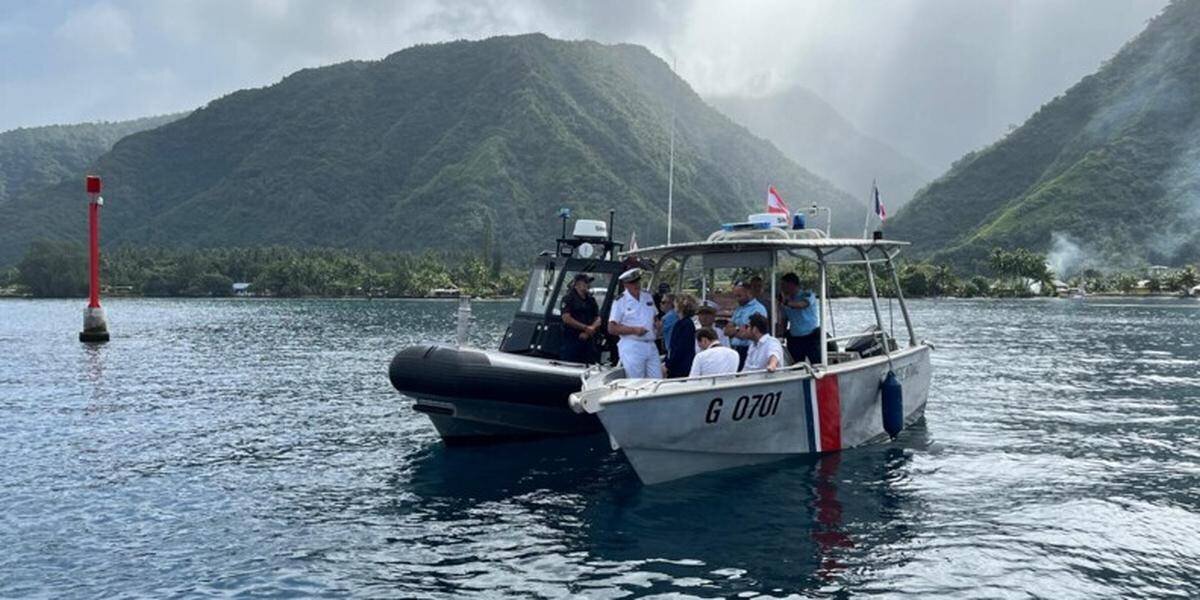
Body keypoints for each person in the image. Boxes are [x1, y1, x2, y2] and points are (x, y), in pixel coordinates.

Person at [607, 268, 662, 379]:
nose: (636, 285)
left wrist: (658, 324)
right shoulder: (620, 301)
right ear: (625, 285)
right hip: (633, 344)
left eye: (637, 281)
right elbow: (611, 328)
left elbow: (654, 317)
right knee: (636, 382)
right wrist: (634, 330)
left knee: (657, 380)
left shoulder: (647, 296)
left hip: (651, 344)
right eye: (632, 283)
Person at [777, 272, 822, 364]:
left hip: (811, 336)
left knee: (817, 364)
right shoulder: (786, 300)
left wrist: (786, 303)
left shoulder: (807, 294)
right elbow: (784, 319)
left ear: (791, 284)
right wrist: (780, 335)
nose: (781, 288)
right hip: (795, 338)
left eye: (783, 285)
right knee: (796, 365)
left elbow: (802, 305)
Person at [723, 281, 767, 370]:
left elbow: (748, 334)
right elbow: (726, 331)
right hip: (735, 349)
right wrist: (739, 329)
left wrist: (735, 330)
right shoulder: (739, 309)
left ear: (749, 293)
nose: (737, 299)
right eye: (735, 296)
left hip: (749, 350)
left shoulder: (758, 309)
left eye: (739, 296)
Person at [559, 273, 601, 363]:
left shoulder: (591, 300)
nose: (588, 285)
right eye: (585, 282)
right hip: (572, 339)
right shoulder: (568, 298)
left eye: (588, 282)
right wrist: (585, 328)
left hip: (588, 340)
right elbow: (566, 318)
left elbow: (598, 318)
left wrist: (590, 330)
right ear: (577, 284)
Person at [664, 294, 696, 377]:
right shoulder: (686, 323)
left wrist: (668, 363)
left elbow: (678, 347)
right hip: (683, 363)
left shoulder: (683, 324)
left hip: (680, 366)